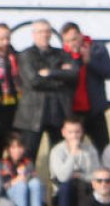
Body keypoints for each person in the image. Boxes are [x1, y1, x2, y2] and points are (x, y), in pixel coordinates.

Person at [13, 19, 78, 162]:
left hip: (58, 112)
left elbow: (73, 74)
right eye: (40, 32)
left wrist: (50, 73)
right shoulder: (26, 55)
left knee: (60, 156)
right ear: (34, 34)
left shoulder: (61, 54)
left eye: (47, 31)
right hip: (32, 115)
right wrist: (60, 77)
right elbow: (33, 81)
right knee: (28, 157)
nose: (44, 35)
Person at [62, 21, 110, 153]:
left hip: (95, 109)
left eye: (74, 39)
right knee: (74, 148)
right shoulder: (63, 55)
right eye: (68, 41)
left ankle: (105, 173)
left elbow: (109, 72)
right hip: (74, 112)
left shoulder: (97, 49)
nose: (72, 44)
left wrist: (90, 61)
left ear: (81, 35)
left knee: (103, 148)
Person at [49, 115, 101, 206]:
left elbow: (96, 175)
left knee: (89, 186)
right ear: (63, 132)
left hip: (86, 189)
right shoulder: (57, 151)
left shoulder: (89, 150)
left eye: (77, 132)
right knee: (66, 185)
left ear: (82, 132)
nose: (74, 136)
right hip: (63, 193)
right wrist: (72, 153)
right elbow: (62, 177)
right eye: (70, 132)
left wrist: (80, 176)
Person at [0, 22, 21, 156]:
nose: (5, 42)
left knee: (15, 145)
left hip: (15, 106)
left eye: (7, 38)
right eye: (1, 39)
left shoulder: (16, 56)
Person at [1, 132, 43, 206]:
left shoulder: (28, 163)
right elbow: (4, 185)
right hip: (10, 194)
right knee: (21, 186)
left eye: (19, 147)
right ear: (8, 149)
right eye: (13, 147)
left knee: (35, 183)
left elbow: (33, 178)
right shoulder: (4, 163)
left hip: (25, 191)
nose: (17, 151)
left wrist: (24, 178)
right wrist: (17, 180)